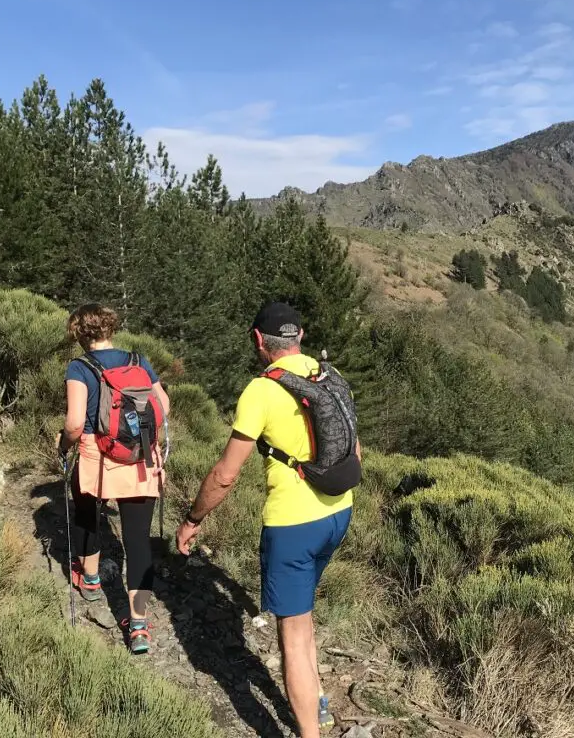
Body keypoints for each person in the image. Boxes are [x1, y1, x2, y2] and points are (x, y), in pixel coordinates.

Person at [176, 301, 359, 737]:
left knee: (292, 635)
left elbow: (224, 475)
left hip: (293, 525)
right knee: (304, 615)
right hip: (338, 511)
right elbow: (355, 451)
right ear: (299, 337)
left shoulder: (261, 390)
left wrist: (192, 518)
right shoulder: (328, 375)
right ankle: (319, 705)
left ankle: (309, 732)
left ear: (260, 341)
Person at [57, 303, 170, 654]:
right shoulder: (138, 360)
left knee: (88, 515)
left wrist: (62, 446)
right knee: (137, 541)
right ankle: (138, 626)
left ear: (78, 334)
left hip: (96, 454)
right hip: (138, 457)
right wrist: (140, 438)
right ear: (110, 328)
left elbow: (75, 423)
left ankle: (90, 580)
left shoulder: (79, 367)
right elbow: (163, 405)